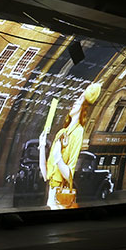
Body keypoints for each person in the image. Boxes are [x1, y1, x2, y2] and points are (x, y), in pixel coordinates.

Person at [39, 82, 101, 210]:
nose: (74, 103)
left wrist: (58, 157)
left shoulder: (78, 132)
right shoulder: (62, 132)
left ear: (83, 106)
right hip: (51, 197)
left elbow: (69, 176)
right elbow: (46, 176)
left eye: (79, 100)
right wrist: (42, 145)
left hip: (61, 197)